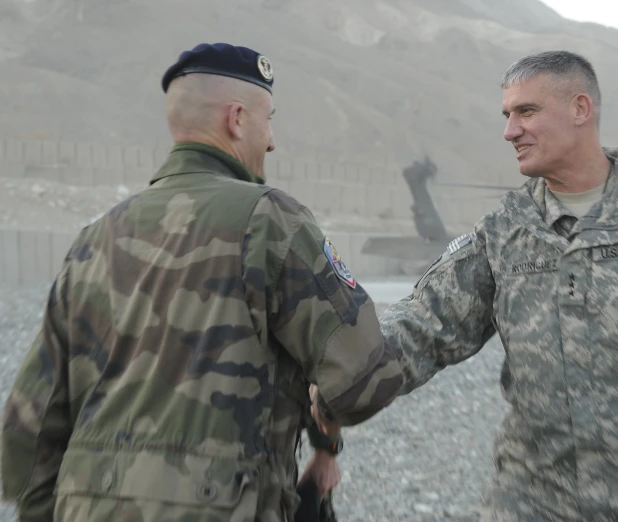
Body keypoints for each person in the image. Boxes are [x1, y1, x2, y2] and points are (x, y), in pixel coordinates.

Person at [356, 50, 618, 521]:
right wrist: (341, 372)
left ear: (580, 109)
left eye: (527, 111)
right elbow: (424, 323)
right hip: (531, 502)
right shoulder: (505, 230)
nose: (509, 131)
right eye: (507, 115)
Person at [0, 42, 403, 522]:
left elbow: (30, 425)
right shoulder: (273, 221)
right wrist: (326, 436)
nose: (272, 140)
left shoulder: (94, 237)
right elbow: (364, 380)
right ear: (236, 119)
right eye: (268, 119)